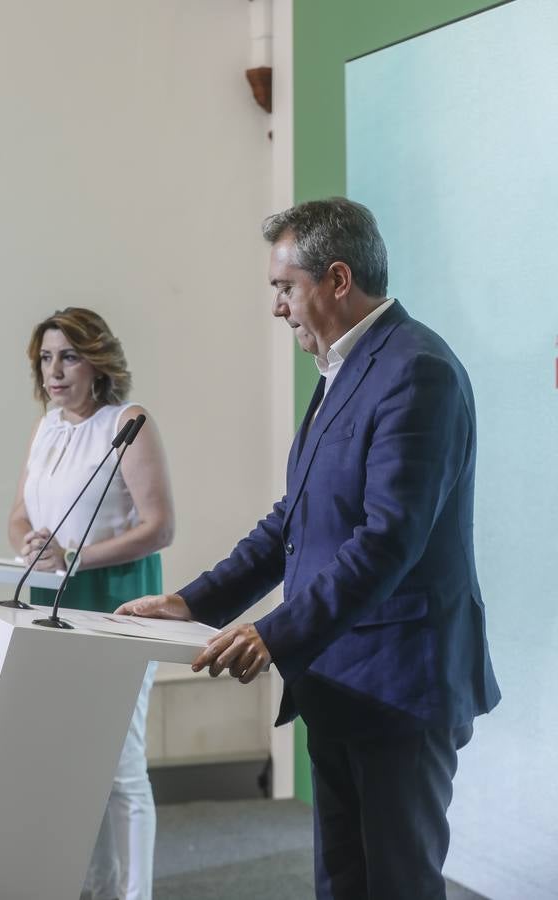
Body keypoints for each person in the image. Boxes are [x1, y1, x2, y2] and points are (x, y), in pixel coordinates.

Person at [117, 198, 501, 900]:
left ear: (335, 279)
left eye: (282, 288)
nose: (277, 307)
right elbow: (292, 521)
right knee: (343, 885)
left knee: (396, 886)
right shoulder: (344, 369)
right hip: (340, 678)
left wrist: (272, 633)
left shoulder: (418, 371)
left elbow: (388, 541)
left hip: (399, 686)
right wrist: (191, 602)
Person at [9, 306, 174, 900]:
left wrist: (73, 553)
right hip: (50, 607)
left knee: (121, 766)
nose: (54, 371)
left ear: (97, 359)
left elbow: (158, 528)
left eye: (68, 356)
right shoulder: (49, 425)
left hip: (115, 604)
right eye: (46, 358)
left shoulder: (126, 423)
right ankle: (99, 889)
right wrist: (30, 542)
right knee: (77, 764)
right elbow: (22, 513)